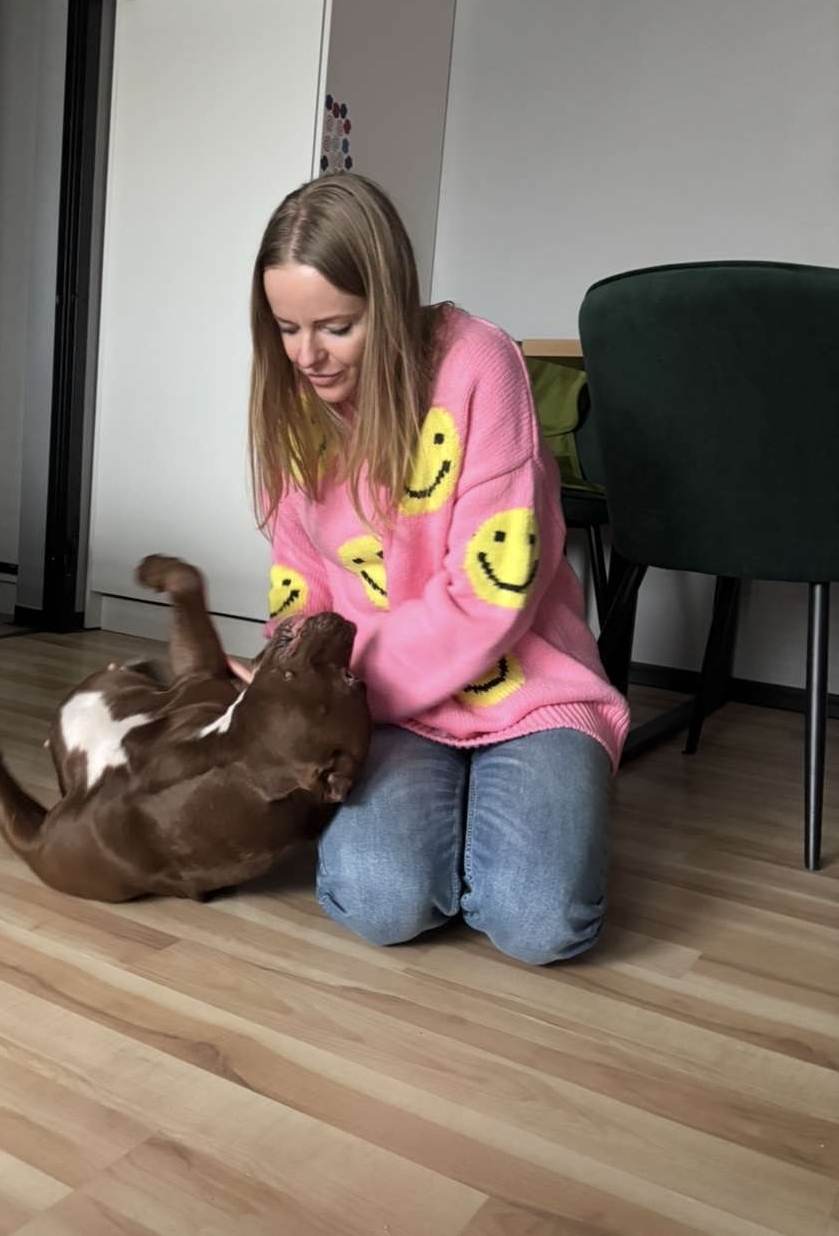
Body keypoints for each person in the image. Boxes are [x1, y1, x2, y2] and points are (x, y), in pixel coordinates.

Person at [239, 172, 630, 964]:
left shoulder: (478, 363)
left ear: (388, 303)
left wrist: (344, 685)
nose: (307, 356)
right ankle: (465, 833)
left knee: (540, 921)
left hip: (526, 691)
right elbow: (302, 586)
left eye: (336, 327)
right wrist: (287, 678)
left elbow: (488, 595)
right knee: (379, 900)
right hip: (382, 709)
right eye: (286, 328)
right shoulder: (296, 400)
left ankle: (534, 810)